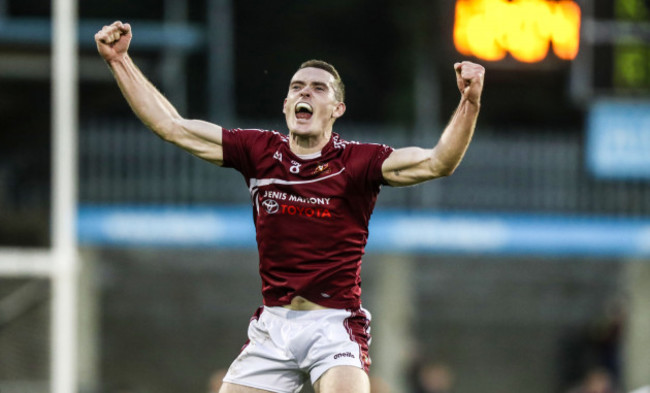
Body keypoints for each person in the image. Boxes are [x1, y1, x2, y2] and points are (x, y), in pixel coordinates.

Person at [95, 21, 484, 393]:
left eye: (318, 88)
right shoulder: (259, 151)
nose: (305, 93)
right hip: (273, 325)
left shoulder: (359, 162)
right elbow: (172, 126)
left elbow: (438, 162)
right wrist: (119, 60)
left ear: (337, 108)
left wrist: (469, 101)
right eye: (298, 87)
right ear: (286, 105)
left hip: (334, 326)